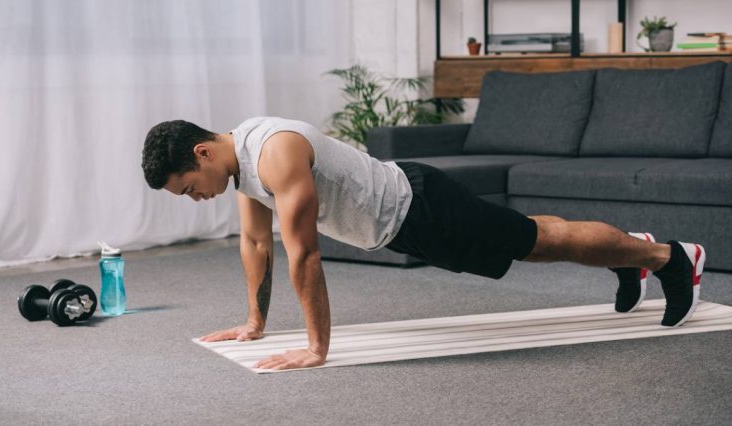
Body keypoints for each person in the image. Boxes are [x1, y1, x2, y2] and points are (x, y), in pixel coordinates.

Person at [141, 117, 706, 371]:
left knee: (538, 241)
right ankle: (632, 255)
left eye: (189, 189)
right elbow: (257, 245)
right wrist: (255, 322)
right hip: (404, 223)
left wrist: (316, 349)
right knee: (533, 241)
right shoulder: (242, 167)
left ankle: (665, 257)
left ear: (201, 155)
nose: (196, 199)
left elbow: (304, 253)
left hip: (422, 205)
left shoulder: (274, 152)